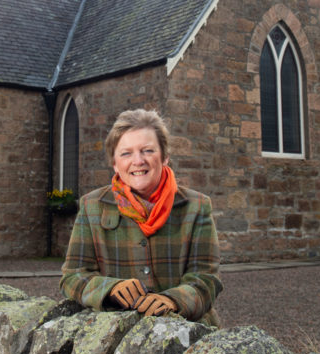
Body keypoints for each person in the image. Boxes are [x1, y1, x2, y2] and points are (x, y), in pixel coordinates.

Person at [59, 108, 223, 326]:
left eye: (147, 150)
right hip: (119, 337)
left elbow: (206, 279)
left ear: (165, 156)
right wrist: (110, 288)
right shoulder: (92, 206)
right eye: (126, 153)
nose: (138, 161)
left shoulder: (197, 206)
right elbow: (72, 277)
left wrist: (173, 300)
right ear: (115, 163)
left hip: (189, 333)